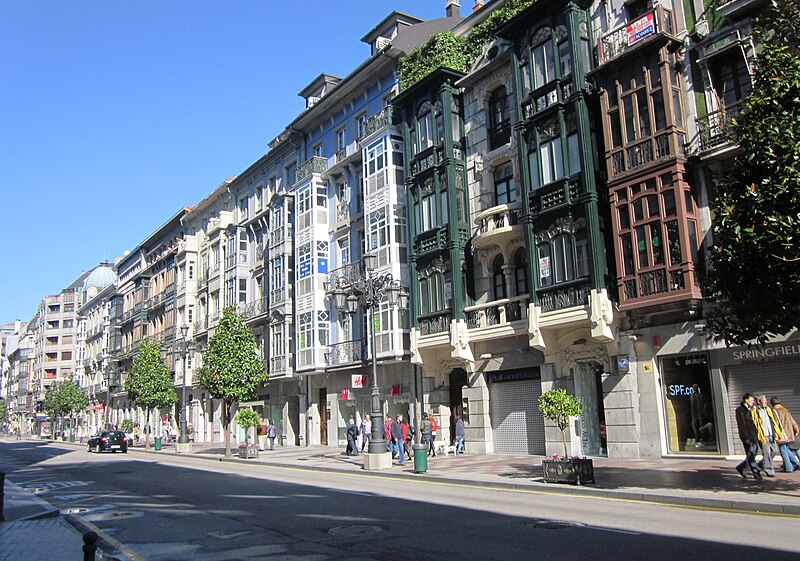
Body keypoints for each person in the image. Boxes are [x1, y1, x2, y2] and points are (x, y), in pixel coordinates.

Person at [754, 395, 783, 477]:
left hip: (771, 434)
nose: (766, 401)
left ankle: (762, 463)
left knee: (775, 451)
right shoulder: (755, 411)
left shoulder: (768, 409)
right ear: (759, 402)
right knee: (766, 453)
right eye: (764, 400)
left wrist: (778, 432)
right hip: (763, 435)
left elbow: (773, 421)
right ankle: (768, 470)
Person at [735, 393, 762, 480]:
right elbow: (742, 425)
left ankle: (741, 467)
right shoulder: (740, 410)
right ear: (746, 400)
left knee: (752, 454)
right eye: (752, 400)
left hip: (753, 435)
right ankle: (756, 473)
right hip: (747, 436)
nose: (753, 402)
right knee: (751, 455)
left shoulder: (750, 410)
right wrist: (746, 437)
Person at [770, 397, 800, 473]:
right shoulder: (785, 410)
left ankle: (789, 467)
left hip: (782, 435)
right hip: (789, 434)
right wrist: (796, 428)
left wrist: (776, 433)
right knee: (786, 449)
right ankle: (796, 464)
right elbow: (792, 420)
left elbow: (775, 424)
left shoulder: (774, 411)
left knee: (783, 450)